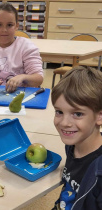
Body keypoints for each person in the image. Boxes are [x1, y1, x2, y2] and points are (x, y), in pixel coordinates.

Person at [51, 66, 102, 210]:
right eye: (59, 112)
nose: (64, 123)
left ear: (100, 116)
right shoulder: (73, 144)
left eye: (78, 114)